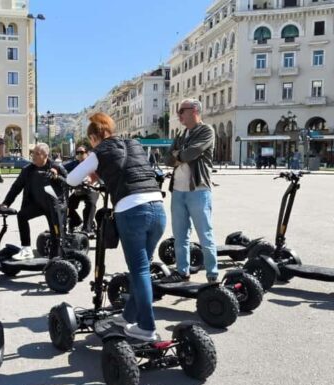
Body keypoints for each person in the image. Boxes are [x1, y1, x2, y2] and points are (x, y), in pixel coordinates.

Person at [67, 113, 164, 341]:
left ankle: (147, 328)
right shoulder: (135, 143)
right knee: (141, 270)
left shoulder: (99, 151)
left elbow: (72, 179)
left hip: (132, 211)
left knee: (139, 271)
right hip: (158, 208)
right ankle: (128, 317)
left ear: (93, 137)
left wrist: (93, 168)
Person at [163, 99, 219, 283]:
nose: (178, 115)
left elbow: (189, 154)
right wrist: (180, 155)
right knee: (180, 235)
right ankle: (182, 271)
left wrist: (179, 155)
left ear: (194, 110)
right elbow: (167, 159)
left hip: (198, 190)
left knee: (205, 234)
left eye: (181, 111)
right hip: (178, 191)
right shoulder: (181, 134)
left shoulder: (206, 131)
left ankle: (212, 274)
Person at [0, 143, 68, 260]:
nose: (33, 156)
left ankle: (55, 260)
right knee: (22, 216)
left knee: (56, 235)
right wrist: (5, 204)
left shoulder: (56, 167)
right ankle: (26, 249)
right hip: (37, 205)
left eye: (37, 154)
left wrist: (57, 177)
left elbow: (68, 183)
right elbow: (16, 187)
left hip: (54, 207)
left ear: (45, 155)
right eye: (33, 153)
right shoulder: (28, 170)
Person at [63, 146, 98, 235]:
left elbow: (101, 172)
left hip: (92, 188)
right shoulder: (74, 163)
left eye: (81, 152)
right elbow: (61, 168)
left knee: (91, 204)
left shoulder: (92, 163)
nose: (79, 155)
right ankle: (77, 222)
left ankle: (87, 229)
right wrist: (54, 170)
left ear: (87, 153)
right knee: (66, 205)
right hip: (79, 189)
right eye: (77, 153)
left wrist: (93, 180)